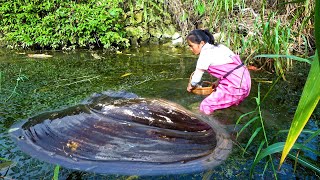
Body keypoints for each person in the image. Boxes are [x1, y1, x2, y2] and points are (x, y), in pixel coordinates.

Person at [186, 29, 251, 115]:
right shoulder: (220, 47)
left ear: (201, 43)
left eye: (191, 46)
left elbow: (195, 79)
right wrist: (218, 82)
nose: (191, 49)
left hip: (235, 85)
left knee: (205, 106)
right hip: (245, 79)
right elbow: (232, 68)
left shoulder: (205, 55)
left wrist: (190, 86)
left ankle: (211, 127)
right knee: (229, 105)